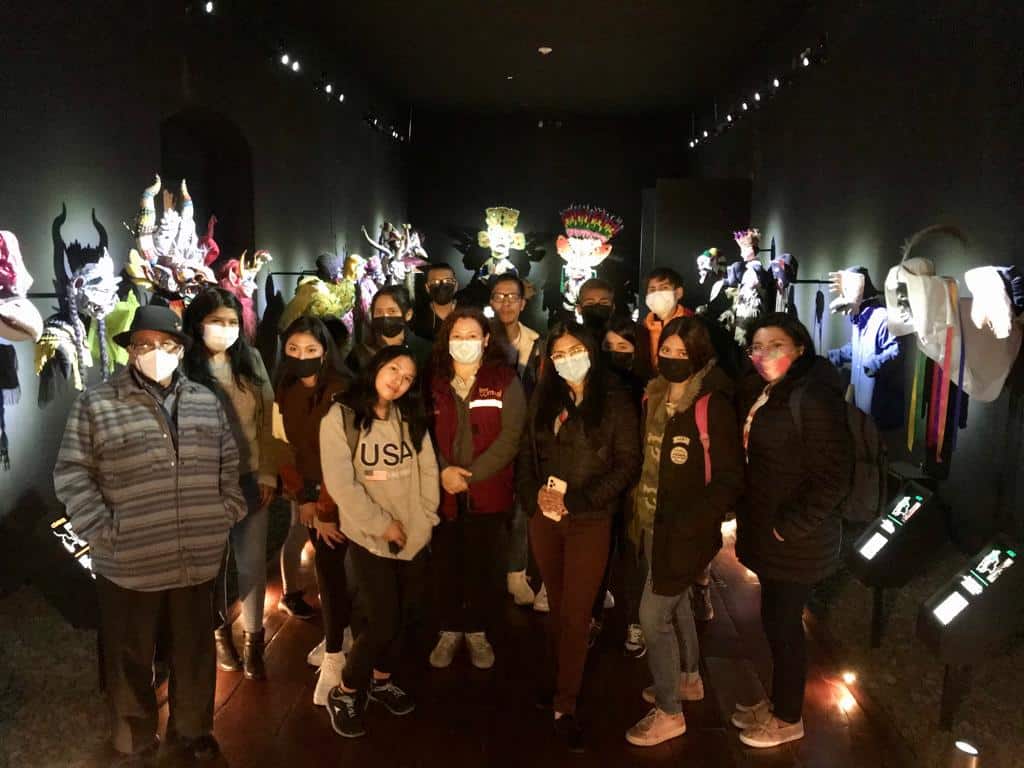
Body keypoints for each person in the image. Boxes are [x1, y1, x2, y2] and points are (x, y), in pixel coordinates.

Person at [54, 305, 245, 767]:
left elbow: (228, 462)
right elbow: (72, 473)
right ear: (130, 350)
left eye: (165, 344)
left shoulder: (204, 400)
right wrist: (104, 531)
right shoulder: (96, 403)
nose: (154, 352)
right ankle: (133, 741)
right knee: (129, 656)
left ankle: (192, 732)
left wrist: (225, 512)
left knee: (194, 651)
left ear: (179, 350)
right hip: (128, 560)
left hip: (195, 556)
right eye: (143, 344)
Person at [517, 321, 641, 751]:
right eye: (558, 354)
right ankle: (560, 682)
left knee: (576, 612)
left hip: (590, 517)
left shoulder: (616, 399)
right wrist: (533, 497)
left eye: (574, 351)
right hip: (545, 517)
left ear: (590, 351)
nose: (567, 360)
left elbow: (627, 463)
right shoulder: (545, 395)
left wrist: (579, 500)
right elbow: (527, 451)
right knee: (556, 605)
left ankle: (565, 703)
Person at [732, 312, 851, 748]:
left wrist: (789, 526)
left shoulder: (813, 397)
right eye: (757, 347)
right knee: (774, 620)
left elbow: (834, 477)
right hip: (771, 531)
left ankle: (788, 717)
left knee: (784, 625)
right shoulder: (768, 391)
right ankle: (777, 702)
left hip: (796, 539)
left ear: (800, 348)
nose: (765, 354)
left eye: (776, 345)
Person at [625, 317, 743, 746]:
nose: (673, 359)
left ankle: (669, 712)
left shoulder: (711, 404)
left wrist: (696, 521)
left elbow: (730, 477)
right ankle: (688, 679)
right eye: (667, 351)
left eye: (682, 353)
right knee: (675, 607)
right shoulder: (654, 395)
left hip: (686, 531)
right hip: (652, 519)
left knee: (652, 615)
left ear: (699, 356)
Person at [320, 346, 440, 738]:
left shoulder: (409, 416)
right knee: (383, 619)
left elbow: (427, 469)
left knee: (405, 615)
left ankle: (381, 680)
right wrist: (382, 525)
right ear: (376, 368)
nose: (398, 381)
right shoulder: (342, 417)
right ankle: (346, 690)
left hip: (413, 535)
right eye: (393, 370)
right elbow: (341, 484)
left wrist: (426, 519)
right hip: (369, 537)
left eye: (407, 378)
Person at [183, 288, 281, 680]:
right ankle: (219, 631)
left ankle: (254, 640)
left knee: (252, 563)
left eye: (232, 322)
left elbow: (270, 417)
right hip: (203, 486)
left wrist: (269, 472)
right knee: (209, 566)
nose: (225, 329)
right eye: (216, 321)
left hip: (251, 478)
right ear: (197, 324)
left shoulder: (250, 359)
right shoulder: (183, 366)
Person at [426, 306, 525, 670]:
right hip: (443, 493)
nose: (464, 342)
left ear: (485, 340)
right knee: (446, 564)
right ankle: (450, 629)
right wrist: (442, 472)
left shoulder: (505, 379)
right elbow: (423, 433)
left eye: (471, 336)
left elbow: (511, 437)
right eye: (457, 336)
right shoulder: (434, 382)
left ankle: (478, 630)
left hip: (489, 491)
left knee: (485, 565)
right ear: (447, 340)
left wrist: (467, 476)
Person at [274, 316, 353, 706]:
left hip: (341, 499)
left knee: (334, 571)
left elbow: (346, 455)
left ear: (325, 353)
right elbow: (281, 446)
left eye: (310, 349)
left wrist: (325, 507)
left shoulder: (342, 392)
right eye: (293, 349)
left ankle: (337, 655)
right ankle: (340, 636)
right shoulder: (285, 389)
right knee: (328, 571)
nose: (301, 356)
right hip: (307, 497)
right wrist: (303, 497)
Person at [488, 273, 540, 606]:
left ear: (523, 302)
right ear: (491, 301)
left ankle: (516, 573)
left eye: (512, 297)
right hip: (488, 437)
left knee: (522, 506)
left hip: (524, 437)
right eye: (499, 296)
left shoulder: (537, 342)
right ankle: (491, 571)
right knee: (491, 507)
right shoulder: (479, 337)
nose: (506, 303)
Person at [601, 314, 647, 658]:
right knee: (599, 551)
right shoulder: (595, 386)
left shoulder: (649, 387)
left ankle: (636, 621)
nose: (616, 352)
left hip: (636, 485)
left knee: (633, 556)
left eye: (624, 346)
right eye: (609, 346)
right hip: (601, 481)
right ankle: (593, 614)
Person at [347, 285, 432, 375]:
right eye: (379, 312)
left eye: (392, 311)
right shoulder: (360, 354)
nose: (385, 316)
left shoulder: (425, 351)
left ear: (408, 315)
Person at [635, 267, 694, 381]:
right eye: (652, 289)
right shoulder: (642, 329)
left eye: (664, 288)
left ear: (678, 293)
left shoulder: (694, 326)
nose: (657, 294)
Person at [412, 263, 458, 341]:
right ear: (427, 288)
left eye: (447, 281)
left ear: (456, 286)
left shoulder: (468, 314)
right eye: (435, 282)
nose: (442, 285)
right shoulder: (418, 318)